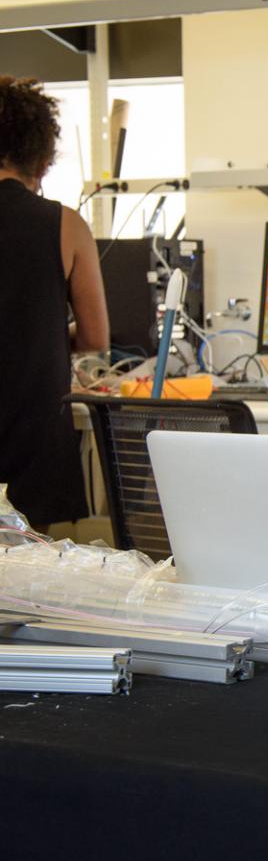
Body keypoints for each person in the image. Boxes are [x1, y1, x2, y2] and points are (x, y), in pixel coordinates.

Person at [0, 76, 109, 531]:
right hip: (31, 441)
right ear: (43, 160)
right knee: (28, 587)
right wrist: (43, 334)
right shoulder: (65, 225)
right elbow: (95, 337)